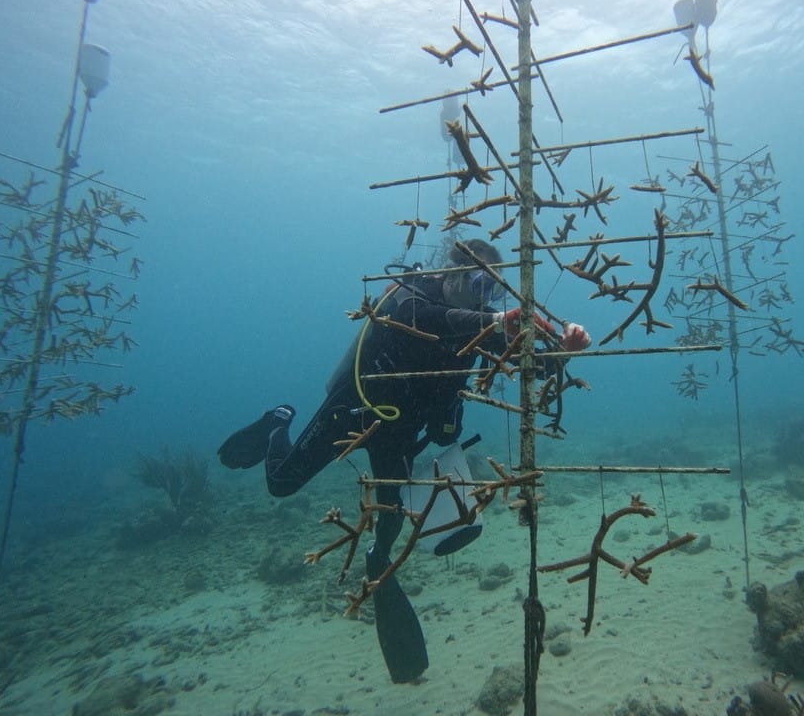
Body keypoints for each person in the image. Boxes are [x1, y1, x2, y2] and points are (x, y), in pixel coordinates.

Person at [218, 239, 590, 682]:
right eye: (476, 283)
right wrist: (495, 321)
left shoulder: (480, 328)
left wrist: (562, 352)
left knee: (391, 525)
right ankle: (279, 420)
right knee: (281, 483)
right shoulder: (411, 294)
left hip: (397, 434)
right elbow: (426, 320)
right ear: (450, 274)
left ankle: (379, 565)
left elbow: (530, 363)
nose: (482, 297)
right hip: (351, 410)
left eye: (493, 291)